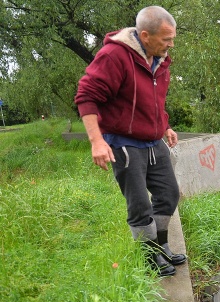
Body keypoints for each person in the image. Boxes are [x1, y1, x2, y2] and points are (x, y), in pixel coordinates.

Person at [74, 6, 186, 277]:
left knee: (169, 194)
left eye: (172, 39)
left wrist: (165, 125)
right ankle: (149, 257)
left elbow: (154, 99)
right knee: (139, 205)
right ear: (145, 35)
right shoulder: (115, 56)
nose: (170, 45)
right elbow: (86, 96)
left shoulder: (160, 58)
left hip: (152, 142)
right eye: (165, 39)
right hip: (124, 143)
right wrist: (97, 141)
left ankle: (160, 246)